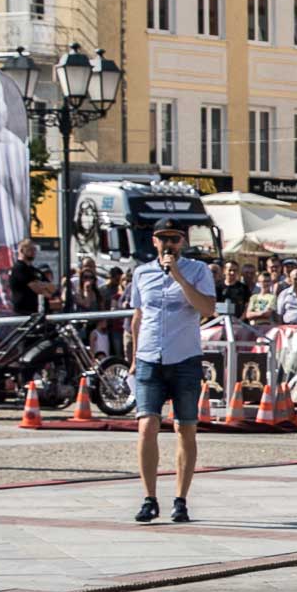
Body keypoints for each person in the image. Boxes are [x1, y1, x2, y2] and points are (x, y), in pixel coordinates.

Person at [126, 222, 216, 524]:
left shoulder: (198, 270)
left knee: (185, 428)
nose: (169, 245)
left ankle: (180, 499)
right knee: (146, 426)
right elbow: (138, 317)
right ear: (154, 241)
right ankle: (149, 499)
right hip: (149, 357)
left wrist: (177, 275)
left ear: (182, 242)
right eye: (163, 239)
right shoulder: (141, 273)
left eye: (174, 239)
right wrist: (134, 357)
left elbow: (207, 309)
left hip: (184, 358)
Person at [9, 239, 56, 315]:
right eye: (30, 249)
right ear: (21, 250)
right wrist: (44, 286)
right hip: (23, 313)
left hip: (38, 312)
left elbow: (52, 290)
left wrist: (42, 284)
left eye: (34, 249)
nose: (33, 252)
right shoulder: (19, 268)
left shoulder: (35, 270)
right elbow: (38, 289)